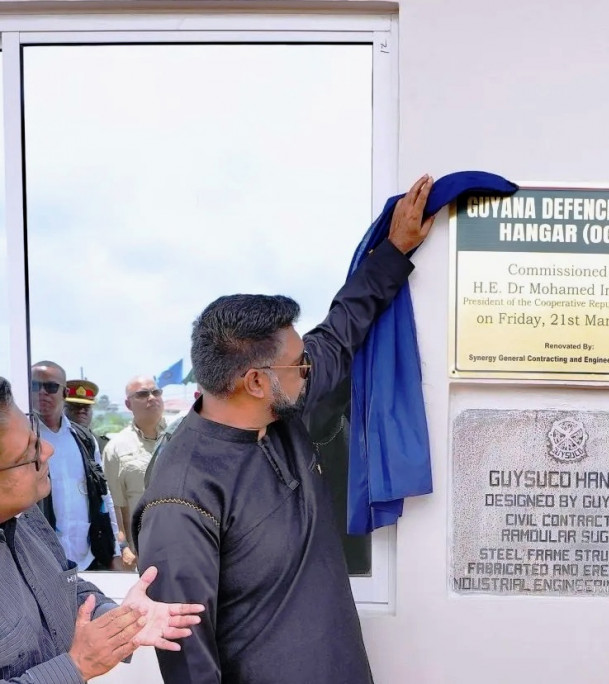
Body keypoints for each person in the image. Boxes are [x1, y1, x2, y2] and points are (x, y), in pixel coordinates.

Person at [134, 174, 436, 683]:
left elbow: (339, 334)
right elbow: (189, 664)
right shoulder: (182, 498)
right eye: (297, 364)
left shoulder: (280, 409)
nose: (308, 369)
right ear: (254, 380)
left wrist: (394, 250)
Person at [0, 375, 204, 682]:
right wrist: (76, 667)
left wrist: (121, 619)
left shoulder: (26, 517)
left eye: (35, 438)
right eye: (29, 454)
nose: (47, 452)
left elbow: (67, 587)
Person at [31, 361, 121, 571]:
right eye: (35, 386)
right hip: (41, 562)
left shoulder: (84, 439)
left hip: (88, 559)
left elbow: (103, 497)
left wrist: (114, 551)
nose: (42, 392)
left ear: (64, 393)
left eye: (51, 387)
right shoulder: (23, 438)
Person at [102, 375, 166, 568]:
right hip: (142, 551)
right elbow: (114, 505)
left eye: (156, 392)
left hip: (183, 543)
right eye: (143, 394)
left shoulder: (180, 435)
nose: (152, 397)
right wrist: (123, 546)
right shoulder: (116, 448)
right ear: (128, 404)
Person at [64, 378, 108, 453]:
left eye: (86, 406)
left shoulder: (104, 445)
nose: (81, 410)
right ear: (63, 407)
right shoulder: (53, 442)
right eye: (75, 406)